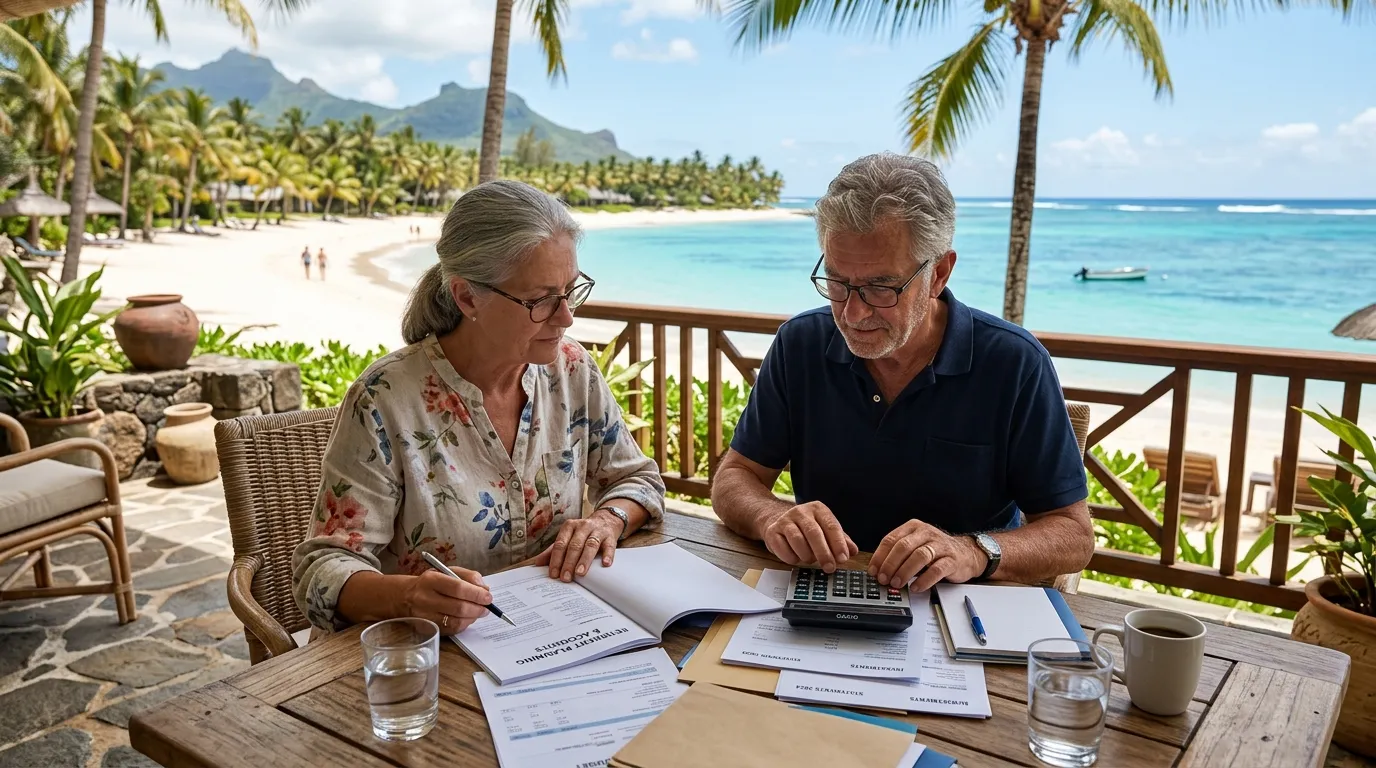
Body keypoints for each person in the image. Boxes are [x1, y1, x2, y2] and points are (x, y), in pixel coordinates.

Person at [293, 180, 666, 635]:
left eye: (572, 290)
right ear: (468, 297)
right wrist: (408, 596)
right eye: (542, 300)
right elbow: (321, 569)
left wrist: (607, 520)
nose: (567, 317)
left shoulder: (571, 370)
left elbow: (637, 478)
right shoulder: (386, 398)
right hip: (422, 655)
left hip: (553, 637)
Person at [711, 153, 1093, 594]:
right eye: (837, 282)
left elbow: (1073, 535)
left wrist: (972, 551)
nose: (852, 313)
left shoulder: (1014, 362)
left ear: (938, 274)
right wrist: (771, 515)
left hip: (959, 609)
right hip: (823, 594)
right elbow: (734, 478)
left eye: (880, 287)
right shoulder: (800, 344)